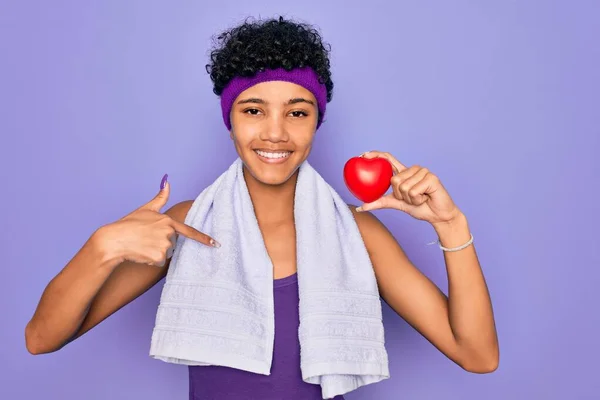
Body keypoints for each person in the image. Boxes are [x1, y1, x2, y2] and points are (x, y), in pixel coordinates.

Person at [25, 16, 499, 399]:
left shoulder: (358, 234)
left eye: (297, 112)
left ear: (317, 122)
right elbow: (42, 339)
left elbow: (478, 356)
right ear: (229, 119)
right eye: (253, 110)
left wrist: (452, 226)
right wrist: (101, 246)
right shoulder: (187, 226)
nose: (275, 132)